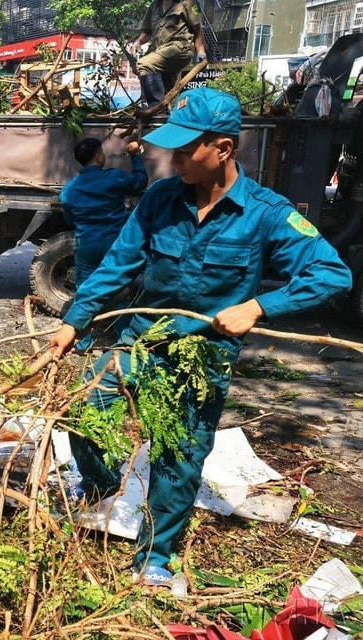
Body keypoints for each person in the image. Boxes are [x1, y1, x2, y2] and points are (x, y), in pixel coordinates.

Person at [48, 88, 352, 586]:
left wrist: (258, 306)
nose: (175, 158)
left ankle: (154, 555)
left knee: (177, 454)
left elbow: (331, 275)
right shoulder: (160, 199)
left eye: (187, 149)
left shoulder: (266, 213)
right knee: (85, 414)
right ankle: (103, 490)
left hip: (201, 357)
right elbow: (118, 264)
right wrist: (73, 321)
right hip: (141, 339)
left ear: (224, 149)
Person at [60, 138, 147, 288]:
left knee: (86, 291)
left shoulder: (68, 190)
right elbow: (140, 181)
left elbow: (70, 220)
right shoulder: (114, 177)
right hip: (115, 243)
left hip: (87, 245)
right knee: (118, 290)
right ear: (99, 157)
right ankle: (119, 311)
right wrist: (135, 155)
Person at [131, 0, 208, 106]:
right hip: (160, 52)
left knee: (144, 64)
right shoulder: (154, 6)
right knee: (168, 94)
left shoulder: (188, 2)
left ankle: (155, 107)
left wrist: (201, 51)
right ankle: (165, 113)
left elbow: (197, 29)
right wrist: (138, 41)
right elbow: (147, 32)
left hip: (180, 48)